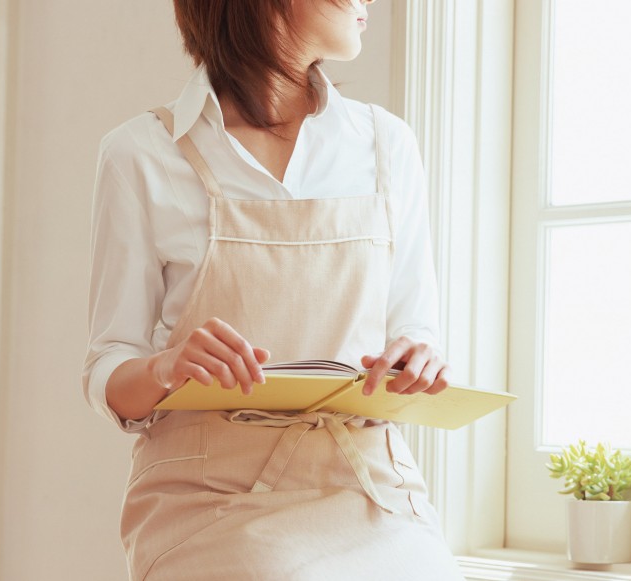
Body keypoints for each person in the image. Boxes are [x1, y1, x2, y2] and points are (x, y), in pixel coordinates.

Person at [83, 1, 464, 579]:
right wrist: (167, 369)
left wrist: (419, 357)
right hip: (209, 500)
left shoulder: (387, 144)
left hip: (368, 488)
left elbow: (415, 329)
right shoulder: (141, 152)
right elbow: (107, 367)